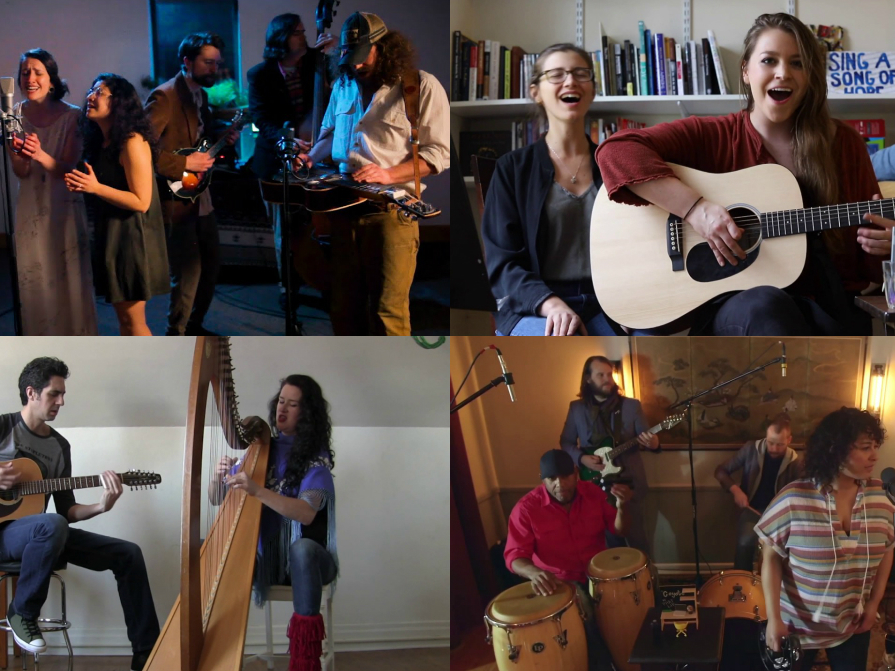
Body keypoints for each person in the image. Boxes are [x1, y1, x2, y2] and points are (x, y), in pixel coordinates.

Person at [596, 13, 895, 335]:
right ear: (746, 71)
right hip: (736, 309)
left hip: (826, 304)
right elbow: (616, 150)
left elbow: (868, 270)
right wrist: (695, 209)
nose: (783, 73)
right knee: (766, 305)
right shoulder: (713, 135)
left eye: (797, 63)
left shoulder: (843, 144)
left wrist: (888, 245)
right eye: (769, 60)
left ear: (810, 76)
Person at [0, 357, 159, 671]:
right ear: (31, 393)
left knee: (128, 554)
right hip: (5, 536)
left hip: (43, 535)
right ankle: (22, 613)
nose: (61, 401)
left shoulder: (60, 446)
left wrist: (101, 505)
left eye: (63, 394)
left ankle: (147, 654)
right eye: (54, 394)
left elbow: (67, 510)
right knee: (51, 525)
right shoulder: (3, 426)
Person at [299, 12, 450, 335]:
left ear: (383, 48)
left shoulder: (420, 86)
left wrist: (387, 174)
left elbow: (438, 155)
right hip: (341, 210)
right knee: (343, 308)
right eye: (349, 56)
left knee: (387, 313)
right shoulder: (342, 85)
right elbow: (329, 135)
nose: (356, 65)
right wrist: (309, 158)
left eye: (363, 56)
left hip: (390, 215)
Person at [481, 44, 622, 337]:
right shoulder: (512, 168)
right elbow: (502, 264)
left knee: (649, 339)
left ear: (592, 90)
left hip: (608, 304)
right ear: (536, 92)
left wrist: (631, 303)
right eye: (556, 74)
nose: (570, 81)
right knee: (566, 341)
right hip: (533, 304)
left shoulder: (617, 165)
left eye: (580, 73)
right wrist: (550, 303)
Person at [210, 375, 337, 671]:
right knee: (209, 548)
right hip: (267, 563)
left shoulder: (316, 462)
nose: (282, 409)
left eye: (292, 404)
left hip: (310, 566)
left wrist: (258, 491)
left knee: (302, 549)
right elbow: (216, 499)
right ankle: (214, 650)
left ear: (307, 413)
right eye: (281, 401)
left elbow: (306, 513)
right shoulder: (260, 451)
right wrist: (218, 478)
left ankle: (304, 661)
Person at [756, 407, 894, 670]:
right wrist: (773, 618)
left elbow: (888, 548)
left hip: (853, 624)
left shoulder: (882, 499)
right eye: (865, 447)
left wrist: (873, 604)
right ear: (835, 449)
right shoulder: (794, 498)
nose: (875, 456)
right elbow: (770, 557)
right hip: (795, 627)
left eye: (876, 447)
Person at [144, 32, 239, 336]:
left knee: (210, 265)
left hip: (199, 194)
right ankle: (177, 334)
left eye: (217, 63)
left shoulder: (201, 96)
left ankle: (193, 326)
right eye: (208, 62)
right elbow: (140, 149)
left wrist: (223, 139)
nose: (214, 69)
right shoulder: (165, 96)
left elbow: (197, 143)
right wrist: (184, 165)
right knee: (187, 271)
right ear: (187, 61)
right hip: (174, 197)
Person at [504, 449, 632, 671]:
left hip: (598, 572)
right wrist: (534, 572)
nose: (559, 484)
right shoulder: (526, 509)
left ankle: (636, 653)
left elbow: (620, 530)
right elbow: (514, 555)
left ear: (575, 473)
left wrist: (622, 507)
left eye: (565, 476)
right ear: (542, 479)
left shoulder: (593, 493)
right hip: (559, 581)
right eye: (552, 478)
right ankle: (603, 665)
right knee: (585, 609)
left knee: (633, 595)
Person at [63, 74, 169, 336]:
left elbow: (142, 201)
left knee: (134, 321)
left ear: (119, 102)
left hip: (133, 239)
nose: (90, 96)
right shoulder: (103, 141)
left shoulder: (132, 141)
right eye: (91, 90)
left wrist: (95, 188)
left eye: (99, 92)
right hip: (113, 235)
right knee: (125, 320)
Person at [247, 13, 335, 311]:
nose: (304, 36)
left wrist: (334, 54)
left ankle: (324, 280)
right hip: (276, 159)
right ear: (282, 38)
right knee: (283, 229)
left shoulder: (316, 62)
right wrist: (287, 141)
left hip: (315, 154)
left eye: (303, 31)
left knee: (321, 224)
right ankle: (289, 286)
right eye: (298, 32)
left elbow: (341, 89)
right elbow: (262, 118)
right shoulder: (260, 74)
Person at [9, 48, 97, 335]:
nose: (30, 78)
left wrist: (39, 154)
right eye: (25, 73)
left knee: (68, 278)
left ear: (52, 79)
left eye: (38, 72)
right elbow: (21, 172)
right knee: (35, 279)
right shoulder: (14, 114)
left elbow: (69, 169)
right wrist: (21, 155)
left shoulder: (73, 116)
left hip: (64, 206)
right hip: (30, 206)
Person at [560, 355, 660, 555]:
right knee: (608, 548)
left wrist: (653, 442)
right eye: (601, 375)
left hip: (630, 486)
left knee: (638, 544)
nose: (608, 379)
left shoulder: (631, 406)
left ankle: (646, 575)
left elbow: (650, 440)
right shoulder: (576, 408)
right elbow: (566, 442)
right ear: (588, 379)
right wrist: (582, 459)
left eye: (609, 374)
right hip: (594, 486)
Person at [714, 412, 801, 570]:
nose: (774, 449)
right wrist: (736, 490)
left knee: (781, 552)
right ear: (766, 437)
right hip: (752, 511)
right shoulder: (751, 449)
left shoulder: (795, 462)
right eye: (770, 443)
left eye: (780, 444)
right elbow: (720, 471)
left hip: (780, 516)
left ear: (789, 440)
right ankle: (742, 582)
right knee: (744, 544)